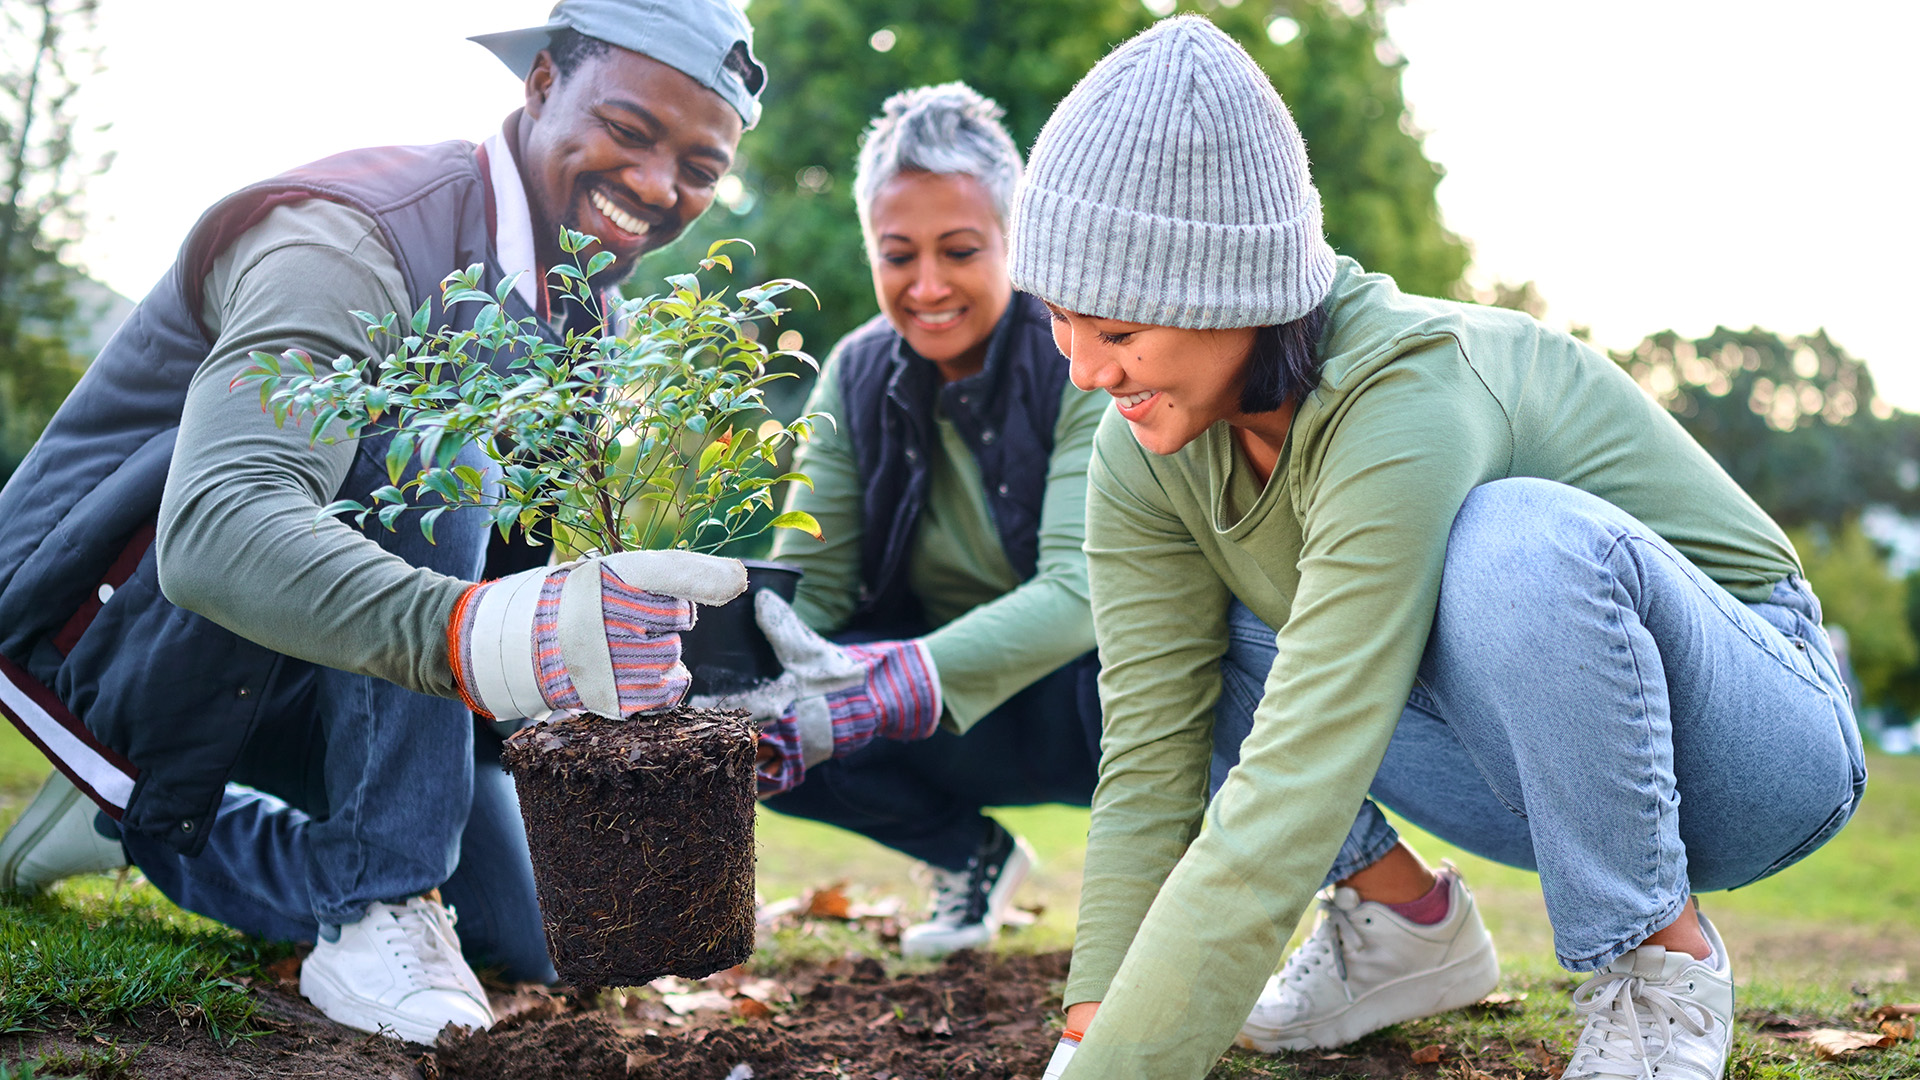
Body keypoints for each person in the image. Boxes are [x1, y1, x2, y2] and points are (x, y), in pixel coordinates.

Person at [1013, 17, 1864, 1080]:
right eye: (1058, 318)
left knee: (1510, 544)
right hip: (1519, 772)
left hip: (1753, 743)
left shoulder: (1410, 390)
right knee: (1173, 655)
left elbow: (1301, 769)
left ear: (1232, 290)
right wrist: (1087, 1040)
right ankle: (1405, 929)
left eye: (1120, 329)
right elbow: (1149, 760)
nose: (1086, 369)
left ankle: (1660, 967)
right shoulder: (1146, 446)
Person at [0, 0, 766, 1045]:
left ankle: (144, 821)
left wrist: (695, 687)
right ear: (542, 84)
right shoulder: (352, 231)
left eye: (699, 166)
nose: (656, 185)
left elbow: (519, 566)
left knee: (541, 928)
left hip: (337, 665)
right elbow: (218, 528)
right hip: (107, 620)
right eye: (630, 131)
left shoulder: (585, 314)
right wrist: (489, 637)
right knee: (438, 447)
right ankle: (373, 905)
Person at [706, 84, 1111, 959]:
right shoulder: (857, 374)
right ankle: (969, 854)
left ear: (1015, 243)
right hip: (947, 712)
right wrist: (726, 685)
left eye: (960, 251)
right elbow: (805, 587)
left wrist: (890, 685)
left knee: (1136, 670)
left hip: (1091, 698)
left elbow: (1086, 591)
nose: (927, 286)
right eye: (898, 256)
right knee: (766, 711)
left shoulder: (1079, 353)